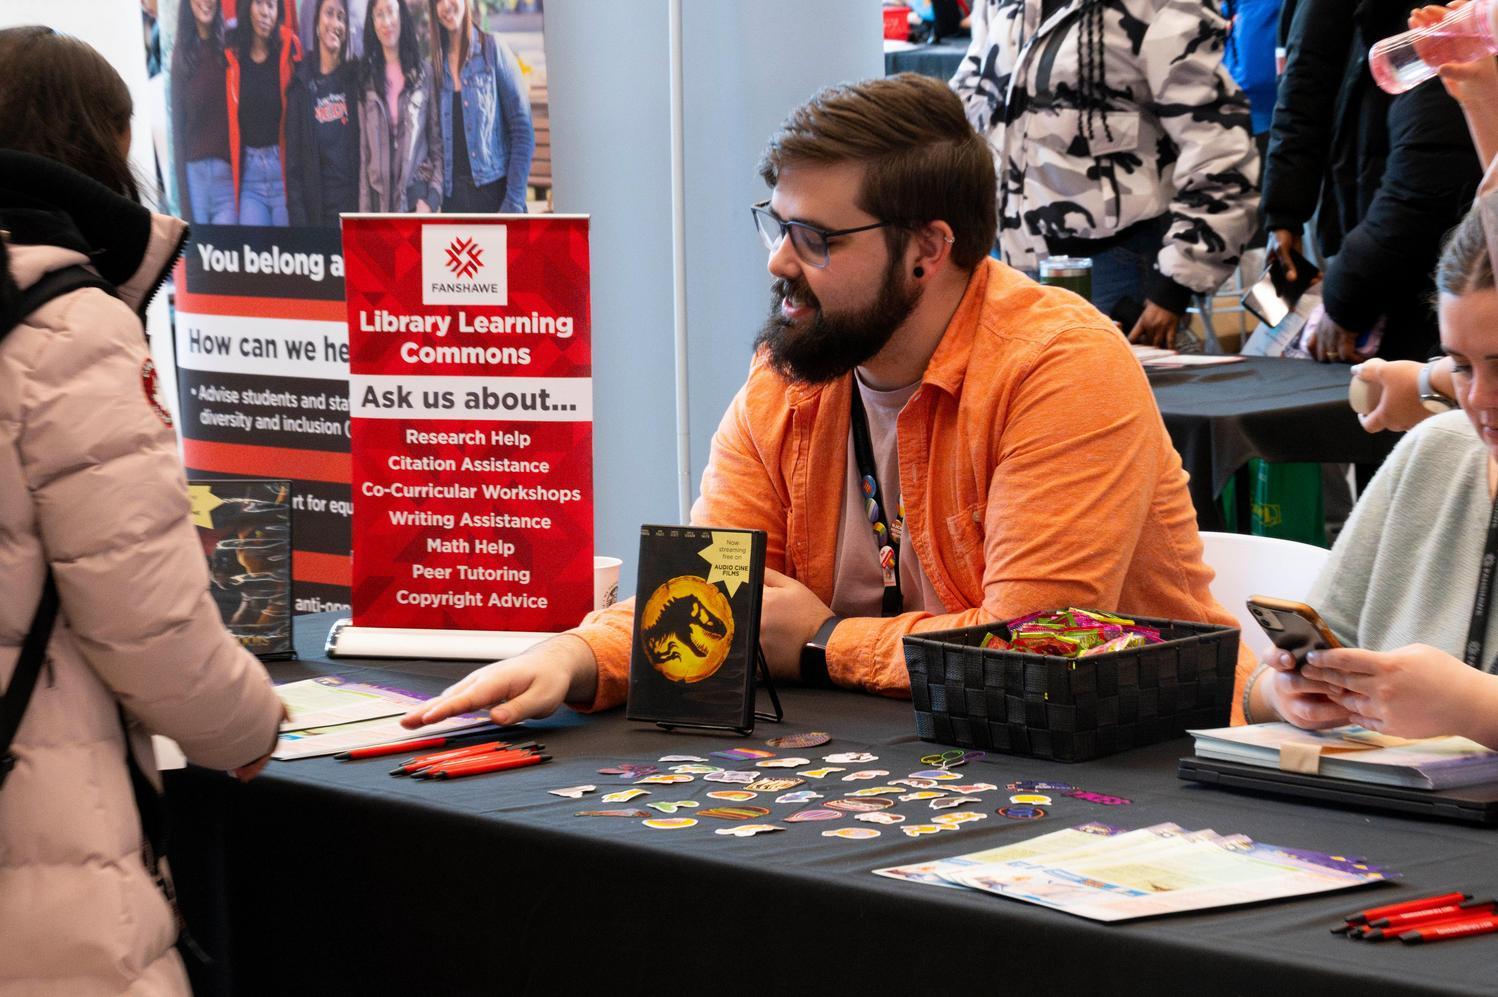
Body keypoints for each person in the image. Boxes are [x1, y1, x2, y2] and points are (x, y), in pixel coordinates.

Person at [400, 74, 1253, 736]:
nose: (779, 262)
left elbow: (1028, 648)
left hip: (1139, 765)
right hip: (903, 757)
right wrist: (579, 655)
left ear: (928, 249)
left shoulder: (1059, 366)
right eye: (777, 226)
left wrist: (819, 642)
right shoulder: (793, 368)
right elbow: (716, 596)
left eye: (816, 238)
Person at [0, 27, 283, 995]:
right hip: (44, 860)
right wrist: (249, 726)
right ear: (99, 145)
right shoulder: (66, 324)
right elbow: (150, 624)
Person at [1245, 198, 1498, 748]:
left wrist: (1476, 709)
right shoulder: (1435, 450)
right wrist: (1287, 695)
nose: (1478, 398)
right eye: (1459, 365)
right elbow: (1276, 680)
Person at [948, 0, 1259, 347]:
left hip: (1113, 267)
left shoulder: (1157, 6)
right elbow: (968, 103)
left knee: (1109, 399)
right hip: (1005, 264)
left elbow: (1218, 145)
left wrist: (1176, 284)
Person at [1263, 0, 1480, 364]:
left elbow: (1431, 167)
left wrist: (1348, 292)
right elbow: (1305, 80)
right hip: (1371, 216)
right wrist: (1284, 211)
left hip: (1420, 256)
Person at [428, 0, 534, 213]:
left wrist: (513, 200)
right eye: (438, 1)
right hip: (453, 203)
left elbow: (522, 130)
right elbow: (434, 143)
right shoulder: (435, 67)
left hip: (496, 199)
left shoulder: (492, 49)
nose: (446, 5)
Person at [358, 0, 442, 212]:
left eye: (391, 12)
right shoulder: (366, 79)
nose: (386, 21)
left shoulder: (424, 73)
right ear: (372, 22)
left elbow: (437, 147)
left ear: (401, 16)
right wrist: (364, 213)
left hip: (415, 199)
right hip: (380, 203)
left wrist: (432, 199)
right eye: (379, 14)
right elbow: (363, 154)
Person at [285, 0, 361, 226]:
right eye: (329, 14)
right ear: (317, 23)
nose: (335, 23)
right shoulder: (301, 85)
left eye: (341, 17)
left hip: (355, 213)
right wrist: (302, 230)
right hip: (316, 218)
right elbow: (294, 167)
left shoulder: (356, 79)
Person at [226, 0, 301, 226]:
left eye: (271, 5)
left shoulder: (290, 49)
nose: (265, 12)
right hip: (250, 179)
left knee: (288, 256)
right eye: (259, 3)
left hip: (283, 174)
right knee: (254, 256)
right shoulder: (233, 54)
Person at [170, 0, 238, 224]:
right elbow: (178, 135)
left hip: (227, 176)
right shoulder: (181, 57)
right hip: (194, 177)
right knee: (199, 256)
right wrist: (185, 206)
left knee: (228, 255)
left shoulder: (230, 47)